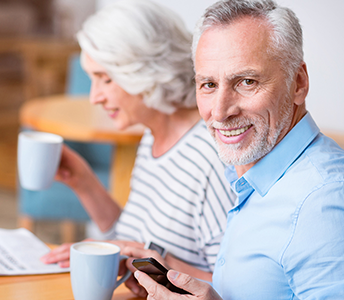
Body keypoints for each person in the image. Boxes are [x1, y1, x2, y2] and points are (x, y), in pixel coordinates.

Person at [124, 0, 344, 299]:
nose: (220, 111)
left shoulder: (322, 202)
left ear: (299, 84)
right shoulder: (250, 176)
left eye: (246, 81)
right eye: (209, 84)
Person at [41, 0, 235, 290]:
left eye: (105, 79)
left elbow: (233, 288)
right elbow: (133, 241)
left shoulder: (209, 156)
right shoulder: (151, 138)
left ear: (146, 72)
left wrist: (159, 263)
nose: (94, 97)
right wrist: (82, 181)